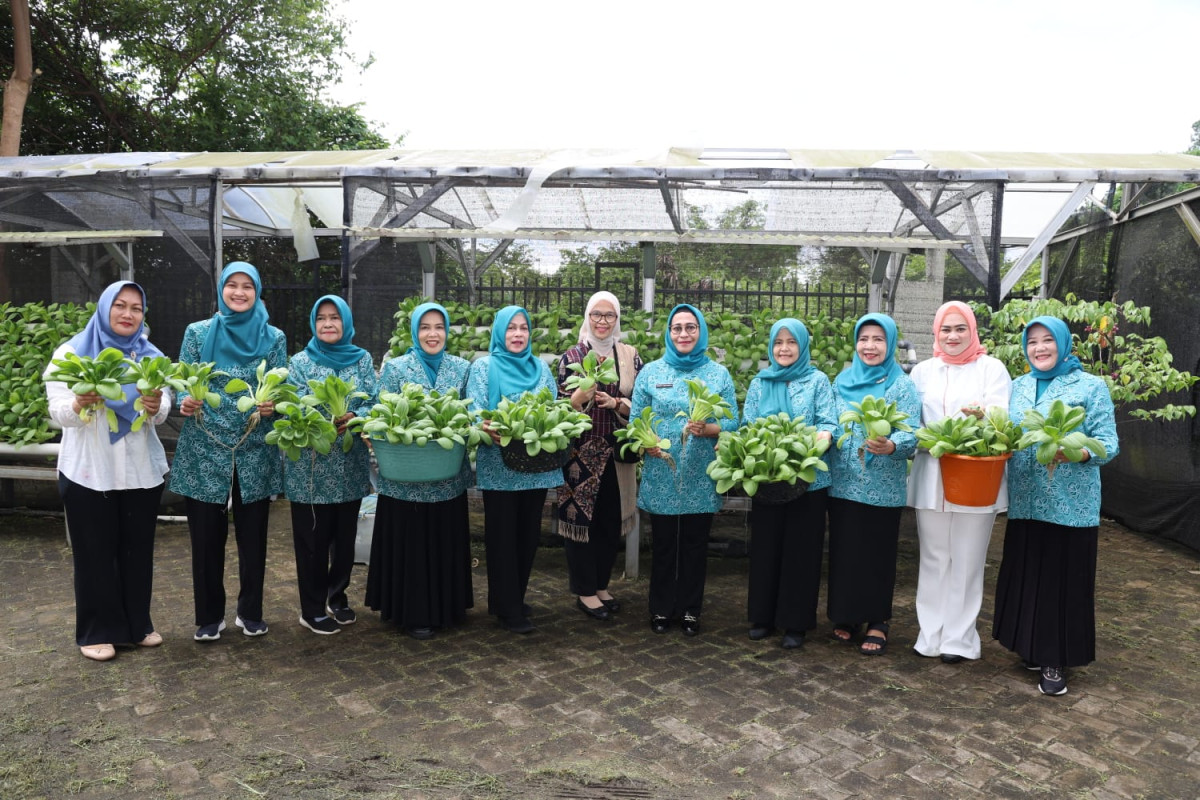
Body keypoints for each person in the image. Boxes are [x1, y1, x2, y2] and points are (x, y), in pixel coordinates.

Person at [45, 281, 171, 661]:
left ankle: (137, 625)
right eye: (120, 305)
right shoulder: (71, 353)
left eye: (136, 308)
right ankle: (96, 631)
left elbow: (163, 408)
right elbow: (58, 413)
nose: (128, 314)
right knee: (94, 555)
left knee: (136, 553)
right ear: (104, 309)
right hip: (89, 470)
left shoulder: (149, 357)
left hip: (139, 471)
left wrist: (154, 405)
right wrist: (80, 402)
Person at [992, 316, 1118, 696]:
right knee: (1029, 576)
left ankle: (1054, 659)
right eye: (1032, 342)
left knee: (1062, 582)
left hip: (1070, 505)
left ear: (1065, 345)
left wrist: (1078, 454)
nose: (1040, 348)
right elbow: (1009, 433)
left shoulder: (1090, 386)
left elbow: (1108, 444)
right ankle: (1028, 647)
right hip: (1026, 501)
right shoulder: (1018, 386)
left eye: (1048, 341)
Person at [171, 261, 287, 642]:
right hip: (205, 447)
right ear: (221, 290)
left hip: (254, 448)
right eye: (232, 286)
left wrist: (273, 406)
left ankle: (250, 612)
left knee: (253, 536)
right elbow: (181, 382)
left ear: (257, 292)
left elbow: (282, 387)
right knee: (205, 537)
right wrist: (184, 400)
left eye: (247, 287)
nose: (239, 293)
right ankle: (208, 616)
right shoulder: (198, 332)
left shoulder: (274, 337)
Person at [907, 301, 1012, 664]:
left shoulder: (992, 369)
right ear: (936, 333)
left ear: (972, 330)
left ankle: (960, 639)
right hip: (932, 472)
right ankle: (930, 633)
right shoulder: (922, 371)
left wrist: (981, 417)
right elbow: (910, 420)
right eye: (946, 330)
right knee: (934, 557)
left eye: (960, 329)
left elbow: (1001, 417)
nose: (953, 337)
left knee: (968, 558)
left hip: (976, 475)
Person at [365, 302, 474, 640]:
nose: (432, 334)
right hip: (405, 480)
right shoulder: (396, 368)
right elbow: (383, 413)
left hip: (446, 478)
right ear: (414, 331)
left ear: (447, 331)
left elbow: (469, 417)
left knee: (443, 540)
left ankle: (447, 608)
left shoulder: (461, 367)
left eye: (439, 327)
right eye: (424, 327)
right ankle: (411, 612)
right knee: (411, 543)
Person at [630, 303, 738, 637]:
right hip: (662, 473)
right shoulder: (651, 372)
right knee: (663, 545)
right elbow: (636, 420)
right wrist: (644, 442)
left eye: (690, 327)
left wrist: (708, 429)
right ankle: (661, 608)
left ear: (701, 332)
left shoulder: (718, 374)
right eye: (677, 328)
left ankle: (691, 610)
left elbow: (734, 419)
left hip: (700, 474)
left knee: (694, 546)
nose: (683, 334)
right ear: (668, 333)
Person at [740, 318, 837, 649]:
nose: (784, 348)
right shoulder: (759, 383)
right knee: (766, 548)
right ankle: (763, 617)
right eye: (778, 342)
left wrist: (816, 443)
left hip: (808, 481)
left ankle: (795, 623)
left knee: (802, 552)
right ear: (771, 346)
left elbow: (828, 421)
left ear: (802, 346)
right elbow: (747, 425)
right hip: (767, 478)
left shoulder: (818, 381)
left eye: (791, 342)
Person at [827, 313, 919, 655]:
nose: (870, 346)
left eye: (878, 339)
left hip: (882, 484)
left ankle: (878, 620)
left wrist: (893, 445)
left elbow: (911, 434)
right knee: (845, 549)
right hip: (843, 480)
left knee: (877, 552)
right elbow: (832, 421)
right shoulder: (842, 380)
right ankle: (846, 615)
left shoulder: (901, 385)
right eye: (864, 339)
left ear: (891, 343)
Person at [284, 295, 377, 635]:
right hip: (309, 468)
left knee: (344, 540)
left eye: (334, 318)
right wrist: (317, 419)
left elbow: (375, 399)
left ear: (346, 322)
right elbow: (290, 403)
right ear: (313, 323)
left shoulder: (361, 359)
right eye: (321, 318)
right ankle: (311, 609)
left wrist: (357, 415)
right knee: (312, 542)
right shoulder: (300, 362)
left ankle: (337, 598)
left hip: (349, 466)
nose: (327, 324)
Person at [466, 305, 559, 634]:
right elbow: (474, 409)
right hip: (500, 467)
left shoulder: (540, 368)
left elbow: (551, 408)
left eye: (523, 328)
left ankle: (512, 598)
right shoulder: (484, 367)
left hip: (535, 466)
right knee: (502, 537)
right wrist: (485, 424)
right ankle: (508, 609)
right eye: (511, 328)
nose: (518, 334)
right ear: (499, 332)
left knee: (528, 536)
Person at [556, 291, 642, 622]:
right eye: (596, 315)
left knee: (609, 521)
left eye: (609, 316)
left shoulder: (631, 357)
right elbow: (559, 409)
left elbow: (644, 403)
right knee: (581, 522)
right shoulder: (572, 356)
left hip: (617, 450)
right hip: (580, 452)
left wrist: (618, 404)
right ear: (587, 318)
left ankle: (601, 585)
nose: (602, 322)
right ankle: (586, 592)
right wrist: (578, 399)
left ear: (617, 319)